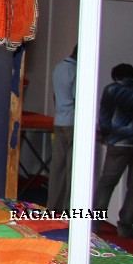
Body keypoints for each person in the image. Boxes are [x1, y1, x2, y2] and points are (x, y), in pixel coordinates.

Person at [93, 63, 133, 239]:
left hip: (120, 142)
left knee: (107, 182)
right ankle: (126, 227)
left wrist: (106, 136)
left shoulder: (112, 90)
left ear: (116, 77)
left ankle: (95, 222)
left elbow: (105, 117)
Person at [47, 45, 77, 213]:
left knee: (57, 166)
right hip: (72, 123)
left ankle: (53, 205)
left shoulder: (58, 68)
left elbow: (54, 95)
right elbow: (76, 97)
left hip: (59, 120)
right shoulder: (75, 71)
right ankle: (68, 207)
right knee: (72, 168)